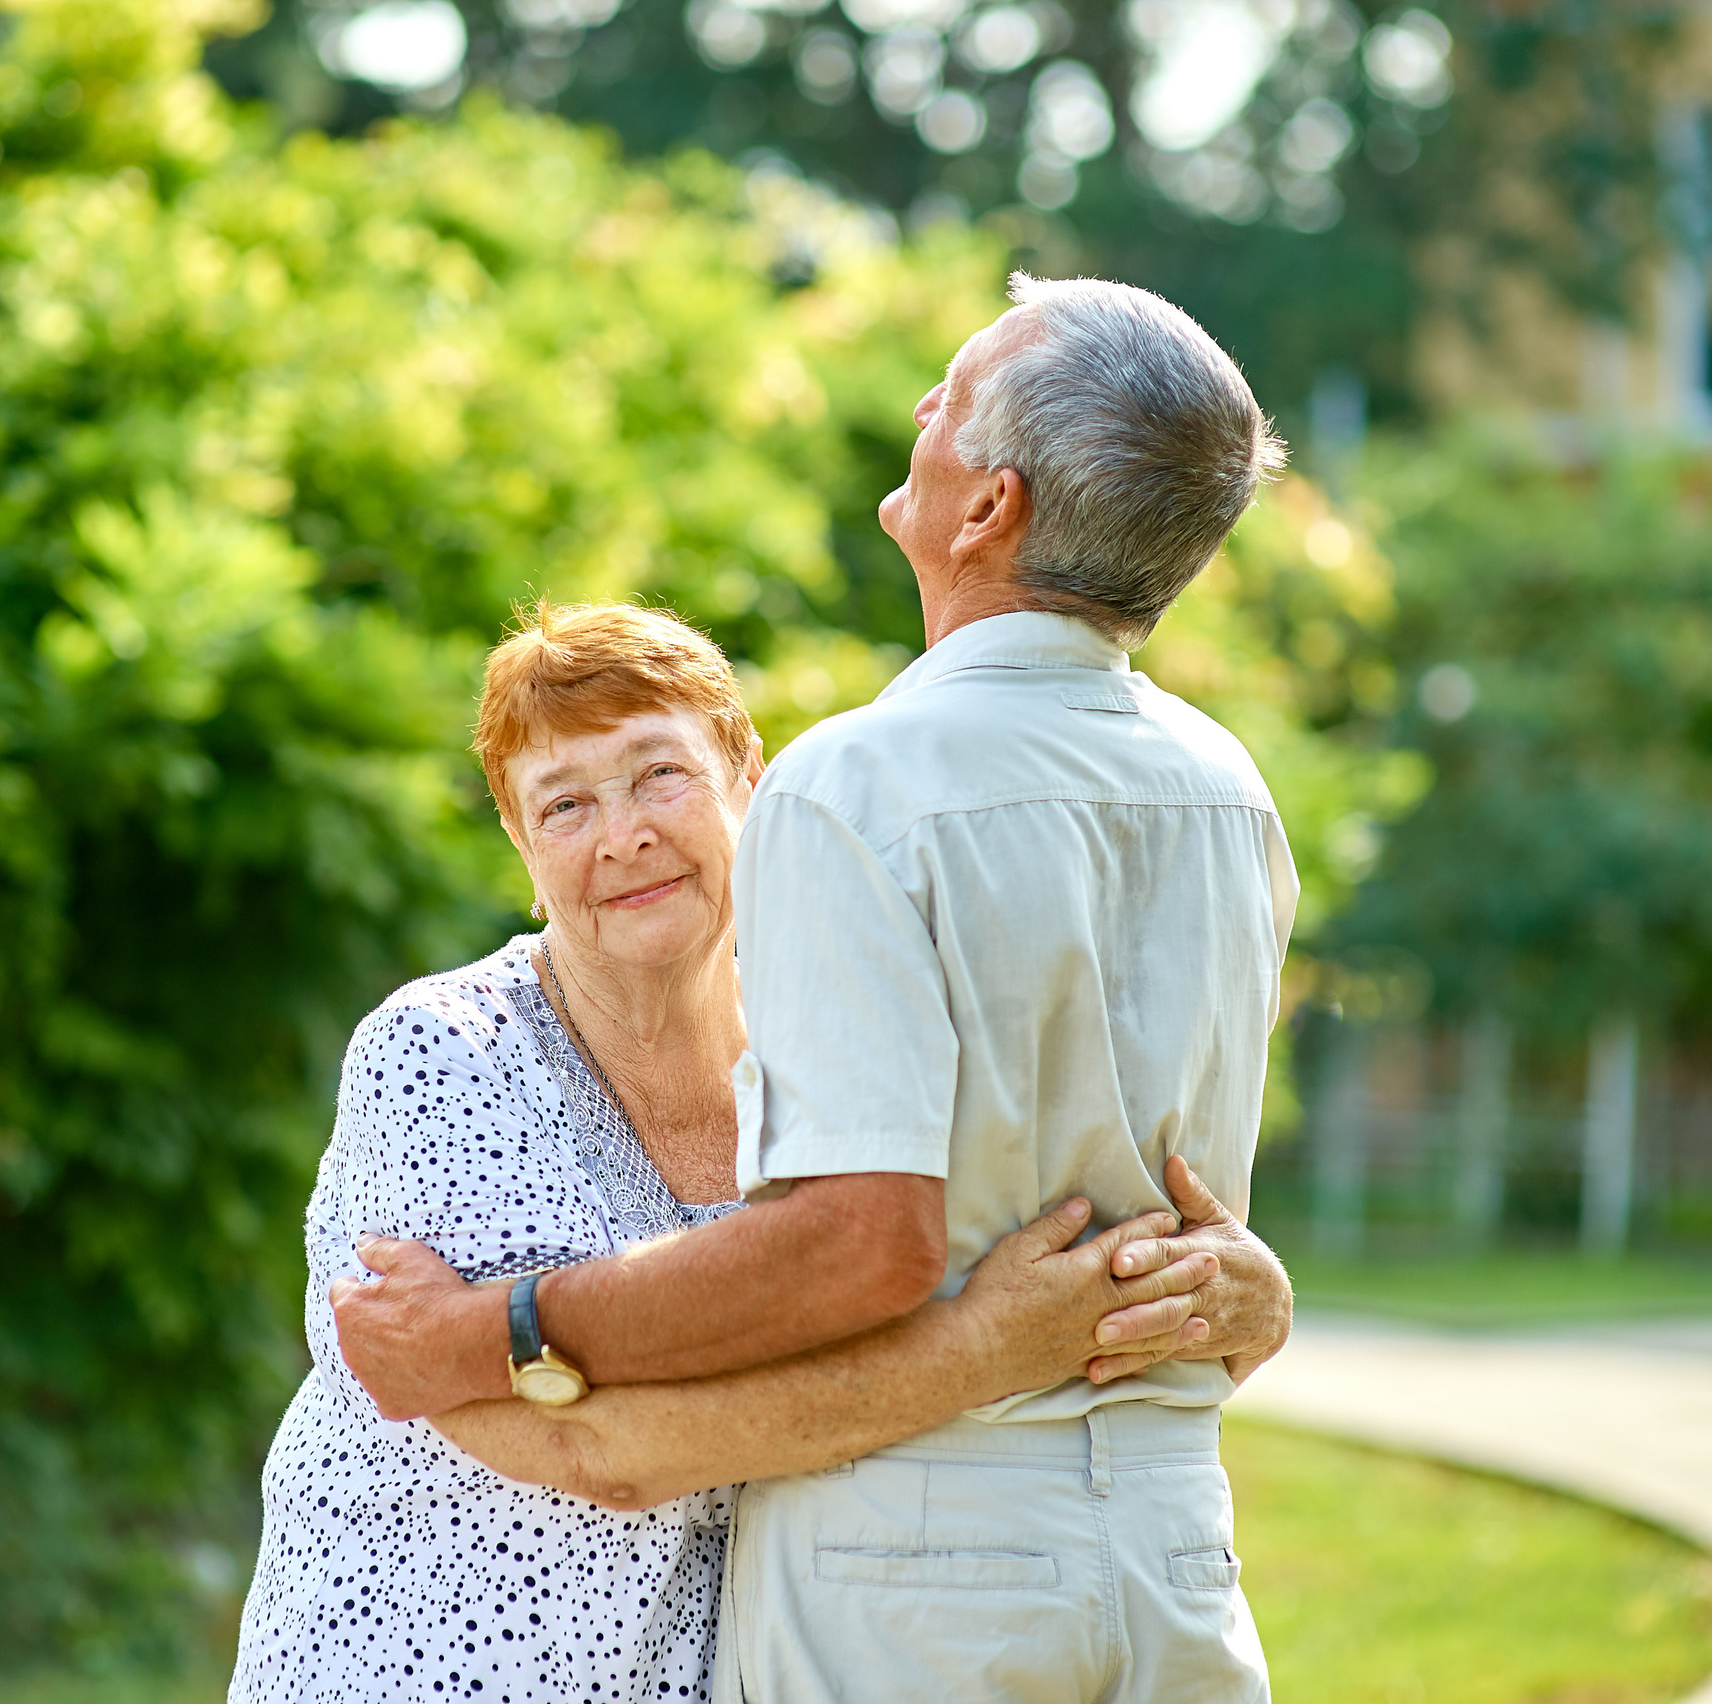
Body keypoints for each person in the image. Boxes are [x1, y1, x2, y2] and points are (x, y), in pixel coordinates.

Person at [328, 271, 1299, 1704]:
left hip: (919, 1575)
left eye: (954, 397)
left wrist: (499, 1328)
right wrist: (1256, 1303)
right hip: (1174, 1551)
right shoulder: (1229, 788)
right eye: (565, 806)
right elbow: (1173, 1219)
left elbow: (861, 1247)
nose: (921, 409)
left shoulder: (863, 781)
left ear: (989, 512)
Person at [228, 601, 1240, 1704]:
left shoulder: (835, 1047)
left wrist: (1249, 1295)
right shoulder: (440, 1055)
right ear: (520, 845)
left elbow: (1061, 1253)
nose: (622, 836)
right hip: (400, 1673)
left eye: (658, 775)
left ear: (747, 778)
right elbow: (606, 1449)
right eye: (564, 805)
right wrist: (985, 1351)